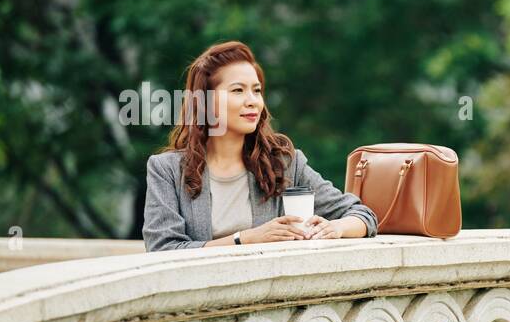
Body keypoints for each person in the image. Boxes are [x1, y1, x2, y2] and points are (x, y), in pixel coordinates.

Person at [142, 40, 377, 251]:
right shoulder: (167, 170)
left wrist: (336, 229)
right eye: (237, 90)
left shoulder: (284, 163)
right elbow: (163, 248)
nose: (252, 101)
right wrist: (243, 239)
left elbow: (363, 215)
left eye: (256, 90)